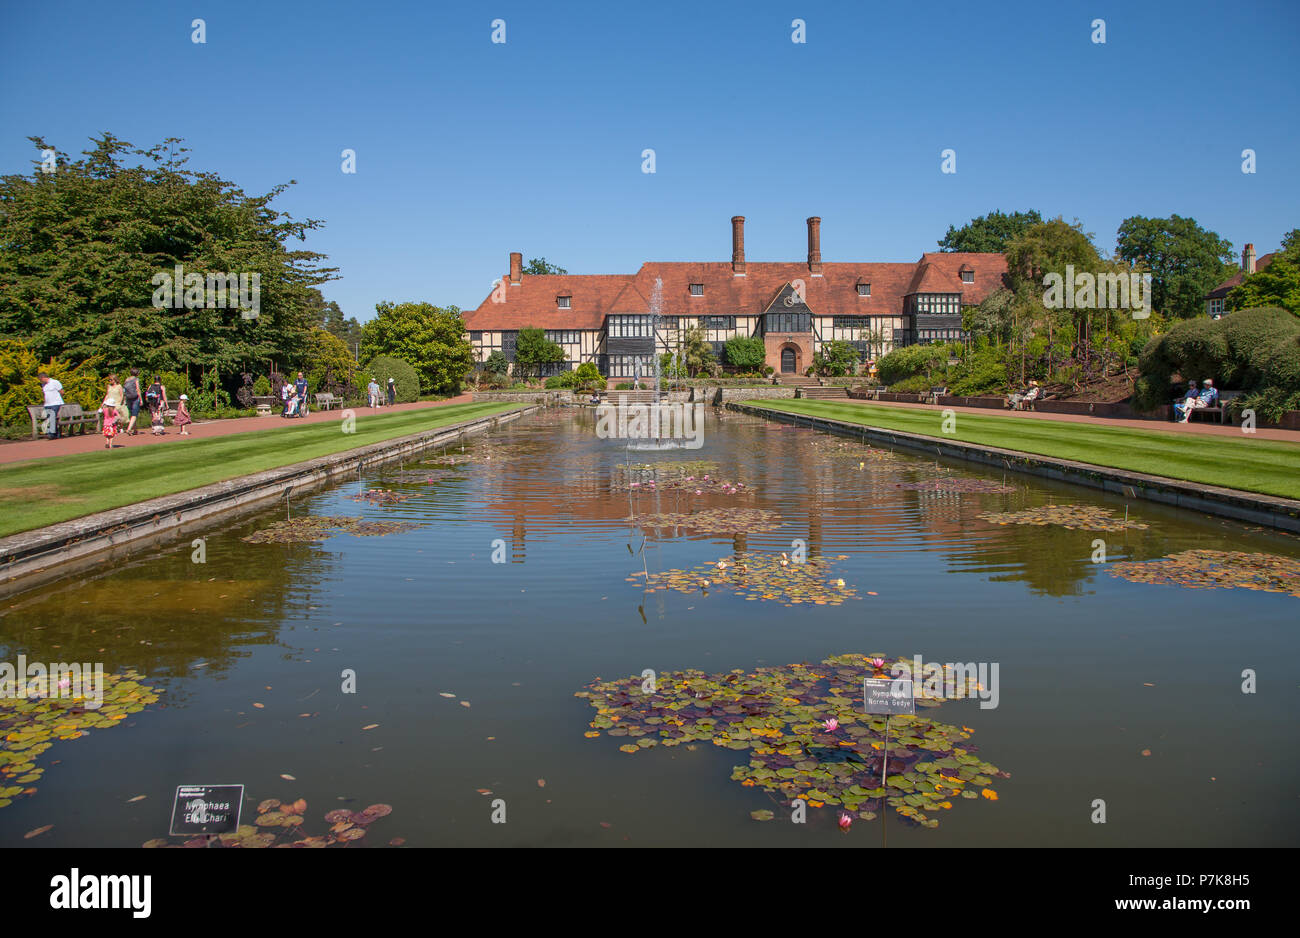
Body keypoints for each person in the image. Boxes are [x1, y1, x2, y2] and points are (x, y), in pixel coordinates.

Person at [38, 372, 64, 440]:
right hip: (47, 404)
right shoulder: (43, 385)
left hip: (55, 403)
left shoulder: (55, 382)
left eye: (41, 379)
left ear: (43, 378)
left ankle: (51, 434)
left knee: (52, 417)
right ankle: (56, 433)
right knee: (50, 418)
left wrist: (57, 399)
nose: (41, 381)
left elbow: (62, 392)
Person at [123, 368, 143, 435]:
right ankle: (129, 429)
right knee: (134, 414)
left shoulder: (126, 379)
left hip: (128, 398)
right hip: (135, 397)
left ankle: (135, 429)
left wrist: (124, 399)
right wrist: (140, 399)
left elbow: (124, 390)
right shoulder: (136, 379)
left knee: (132, 414)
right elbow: (138, 389)